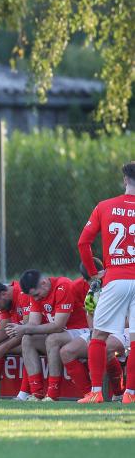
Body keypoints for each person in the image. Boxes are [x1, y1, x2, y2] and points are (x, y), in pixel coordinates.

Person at [77, 161, 135, 404]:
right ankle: (130, 394)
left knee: (98, 336)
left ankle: (96, 392)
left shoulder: (104, 206)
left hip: (116, 278)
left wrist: (93, 273)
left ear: (125, 181)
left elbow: (83, 243)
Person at [7, 270, 90, 401]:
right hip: (64, 333)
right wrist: (22, 329)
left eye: (37, 295)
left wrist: (24, 328)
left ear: (44, 283)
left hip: (82, 330)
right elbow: (34, 323)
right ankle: (37, 393)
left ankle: (52, 394)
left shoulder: (63, 286)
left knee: (52, 339)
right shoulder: (37, 295)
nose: (35, 299)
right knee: (27, 339)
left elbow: (58, 325)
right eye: (33, 296)